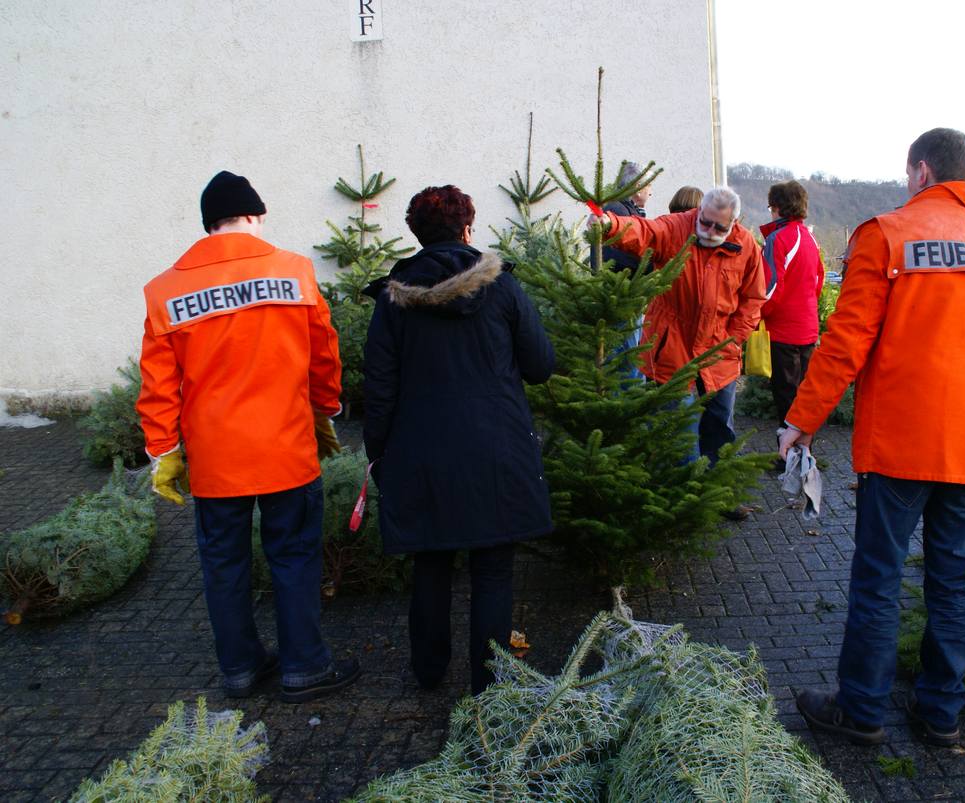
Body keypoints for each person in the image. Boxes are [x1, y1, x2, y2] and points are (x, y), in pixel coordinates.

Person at [778, 129, 965, 747]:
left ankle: (862, 711)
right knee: (954, 580)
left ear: (922, 171)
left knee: (878, 577)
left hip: (901, 445)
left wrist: (801, 421)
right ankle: (939, 714)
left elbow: (846, 341)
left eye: (909, 174)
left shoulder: (887, 235)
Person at [137, 170, 359, 703]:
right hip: (287, 448)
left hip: (216, 459)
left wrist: (163, 451)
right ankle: (304, 667)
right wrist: (324, 410)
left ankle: (239, 668)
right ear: (256, 217)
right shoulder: (295, 272)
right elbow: (323, 353)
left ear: (209, 225)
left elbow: (158, 384)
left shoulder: (165, 291)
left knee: (224, 565)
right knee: (294, 556)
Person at [362, 185, 555, 695]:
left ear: (418, 234)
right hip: (497, 449)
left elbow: (378, 388)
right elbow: (541, 365)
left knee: (430, 562)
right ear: (467, 229)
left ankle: (429, 671)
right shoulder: (503, 287)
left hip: (420, 452)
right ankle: (488, 687)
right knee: (493, 570)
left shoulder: (394, 298)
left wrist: (378, 455)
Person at [594, 187, 766, 480]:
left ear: (734, 223)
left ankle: (716, 488)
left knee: (719, 425)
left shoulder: (746, 245)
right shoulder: (676, 228)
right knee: (678, 429)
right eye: (705, 222)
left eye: (719, 228)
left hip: (720, 351)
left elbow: (753, 298)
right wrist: (611, 224)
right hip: (672, 348)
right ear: (699, 212)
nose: (709, 231)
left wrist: (734, 338)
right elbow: (645, 232)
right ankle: (682, 488)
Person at [759, 180, 824, 434]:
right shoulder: (810, 238)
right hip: (808, 328)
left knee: (785, 399)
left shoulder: (777, 239)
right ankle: (804, 448)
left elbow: (770, 289)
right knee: (802, 397)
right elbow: (817, 283)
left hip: (783, 332)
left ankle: (787, 451)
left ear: (777, 207)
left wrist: (754, 317)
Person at [603, 162, 653, 379]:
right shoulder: (618, 212)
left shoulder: (628, 212)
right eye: (649, 186)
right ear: (638, 187)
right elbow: (616, 256)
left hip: (629, 296)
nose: (651, 192)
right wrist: (651, 266)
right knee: (627, 364)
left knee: (631, 360)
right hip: (622, 297)